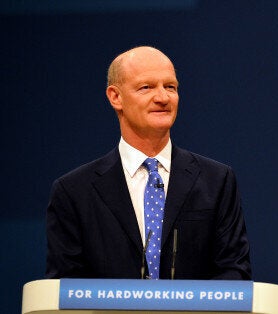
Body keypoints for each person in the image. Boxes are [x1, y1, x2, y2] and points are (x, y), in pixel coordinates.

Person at [45, 46, 252, 280]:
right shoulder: (73, 191)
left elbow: (235, 272)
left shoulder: (217, 181)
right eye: (146, 87)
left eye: (170, 87)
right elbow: (65, 287)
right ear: (116, 97)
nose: (163, 98)